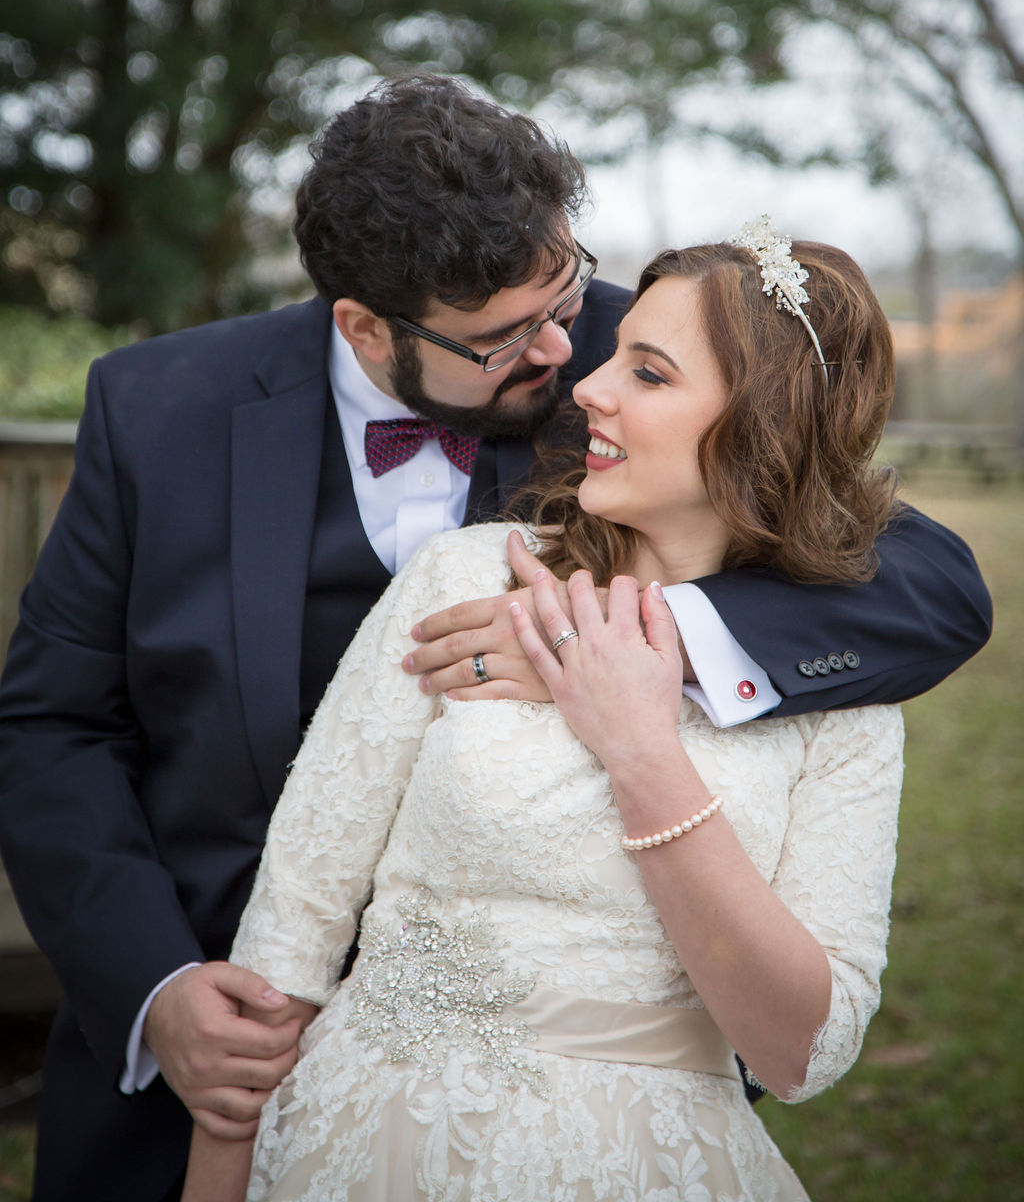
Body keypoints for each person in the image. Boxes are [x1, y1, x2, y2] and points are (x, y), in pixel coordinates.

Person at [0, 75, 988, 1202]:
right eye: (505, 336)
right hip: (223, 1052)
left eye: (564, 289)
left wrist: (641, 636)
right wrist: (157, 987)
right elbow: (53, 725)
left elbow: (930, 585)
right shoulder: (157, 406)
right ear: (366, 327)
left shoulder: (658, 349)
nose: (563, 353)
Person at [184, 226, 922, 1201]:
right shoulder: (470, 578)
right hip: (361, 1143)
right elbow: (290, 928)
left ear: (765, 421)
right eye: (613, 355)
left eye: (648, 374)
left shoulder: (846, 699)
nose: (588, 388)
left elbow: (804, 1055)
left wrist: (640, 745)